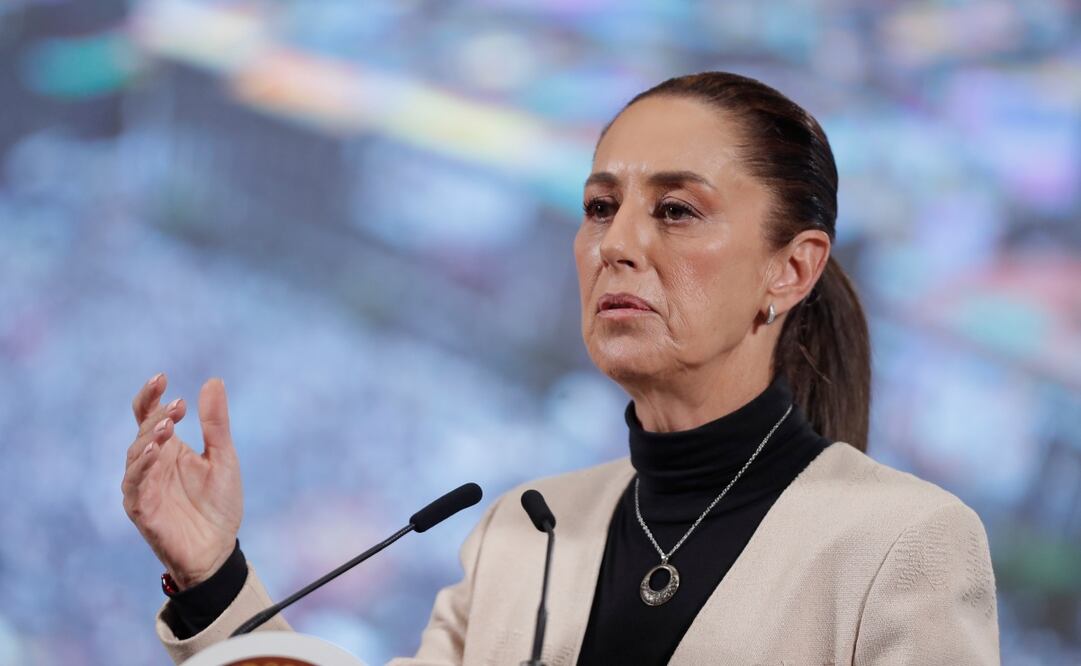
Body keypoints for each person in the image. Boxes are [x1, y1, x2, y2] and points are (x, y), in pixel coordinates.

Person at [122, 72, 1000, 665]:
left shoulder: (901, 543)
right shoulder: (521, 534)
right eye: (598, 207)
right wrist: (214, 573)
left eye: (677, 210)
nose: (615, 245)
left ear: (790, 270)